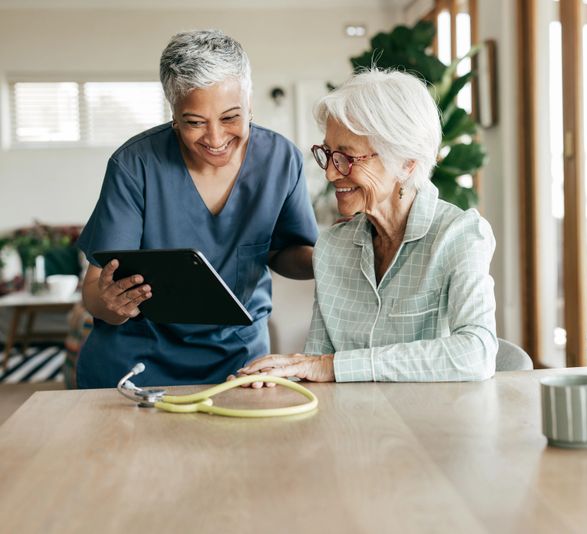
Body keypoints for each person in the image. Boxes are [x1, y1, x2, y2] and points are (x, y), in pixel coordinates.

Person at [76, 30, 318, 388]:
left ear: (250, 102)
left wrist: (329, 258)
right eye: (194, 122)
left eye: (231, 117)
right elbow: (94, 291)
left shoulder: (281, 160)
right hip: (136, 364)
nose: (216, 139)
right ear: (173, 113)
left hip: (239, 364)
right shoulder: (135, 165)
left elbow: (285, 253)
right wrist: (109, 305)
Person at [234, 69, 497, 385]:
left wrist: (334, 367)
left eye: (347, 158)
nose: (331, 174)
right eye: (328, 154)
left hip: (432, 425)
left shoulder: (459, 236)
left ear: (406, 162)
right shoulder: (332, 246)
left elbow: (476, 352)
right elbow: (318, 364)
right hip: (351, 425)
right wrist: (286, 375)